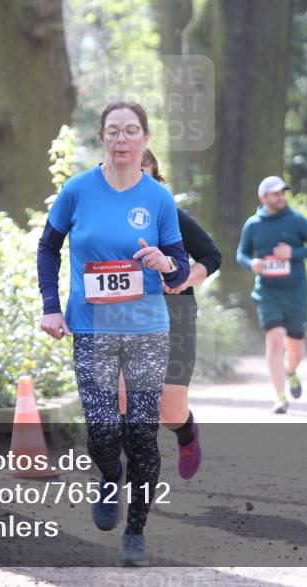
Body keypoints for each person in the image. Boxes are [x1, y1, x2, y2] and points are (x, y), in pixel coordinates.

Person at [37, 101, 190, 566]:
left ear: (145, 139)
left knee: (142, 433)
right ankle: (110, 474)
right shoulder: (77, 190)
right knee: (103, 430)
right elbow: (48, 248)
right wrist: (50, 307)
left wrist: (166, 264)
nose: (122, 139)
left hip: (146, 328)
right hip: (92, 327)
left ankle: (136, 533)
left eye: (130, 131)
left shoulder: (158, 198)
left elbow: (180, 264)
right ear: (102, 138)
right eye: (113, 131)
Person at [118, 149, 222, 480]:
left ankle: (187, 436)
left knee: (170, 411)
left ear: (154, 177)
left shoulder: (172, 216)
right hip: (124, 316)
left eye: (143, 172)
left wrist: (183, 280)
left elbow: (211, 255)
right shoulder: (105, 218)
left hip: (174, 315)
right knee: (121, 397)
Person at [236, 176, 307, 413]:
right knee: (274, 339)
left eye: (283, 193)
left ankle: (291, 370)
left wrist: (293, 252)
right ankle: (279, 396)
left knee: (296, 349)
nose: (281, 197)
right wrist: (251, 263)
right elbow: (241, 254)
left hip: (296, 291)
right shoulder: (253, 224)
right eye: (276, 194)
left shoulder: (297, 221)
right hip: (267, 292)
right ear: (263, 198)